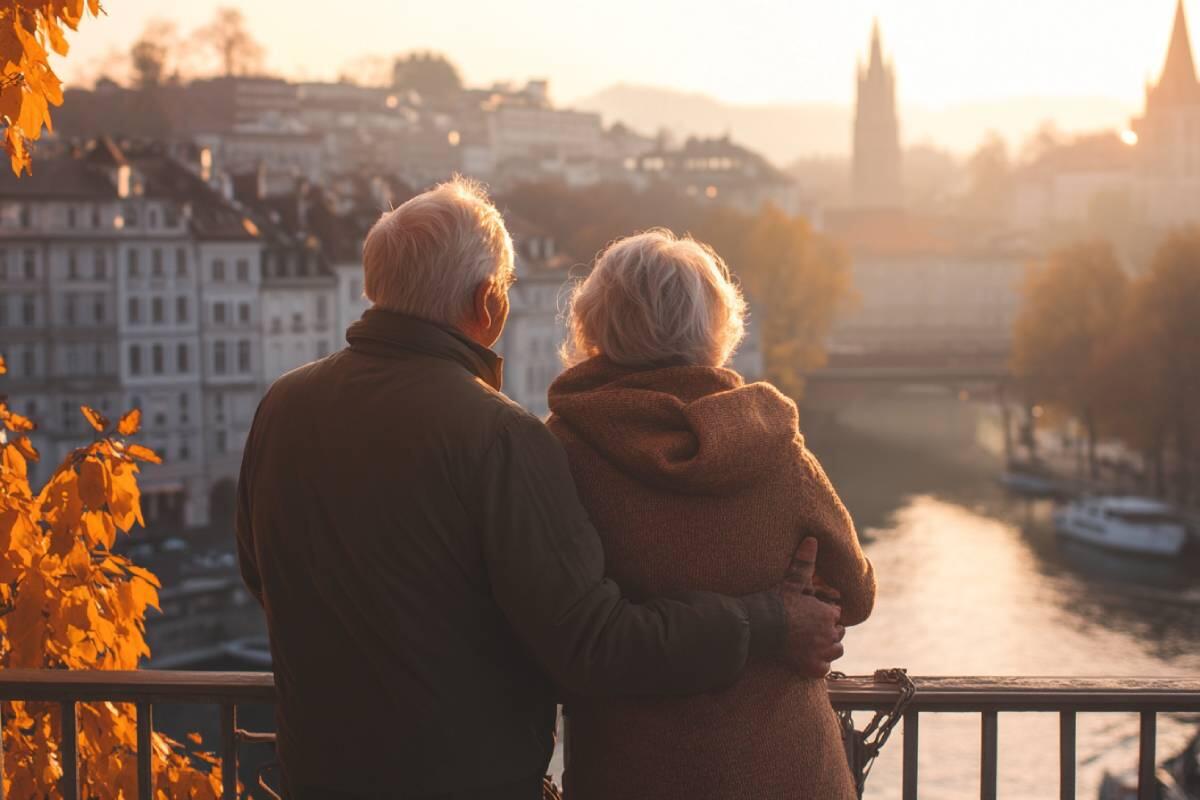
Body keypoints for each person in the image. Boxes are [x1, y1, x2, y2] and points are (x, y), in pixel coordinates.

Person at [235, 178, 848, 799]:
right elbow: (594, 644)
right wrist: (768, 619)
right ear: (488, 304)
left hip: (316, 774)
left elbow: (261, 572)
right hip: (466, 781)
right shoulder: (501, 435)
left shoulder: (282, 405)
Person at [546, 229, 877, 800]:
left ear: (594, 327)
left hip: (636, 774)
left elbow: (563, 632)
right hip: (788, 772)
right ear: (717, 328)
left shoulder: (568, 452)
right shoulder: (772, 442)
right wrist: (793, 605)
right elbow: (858, 593)